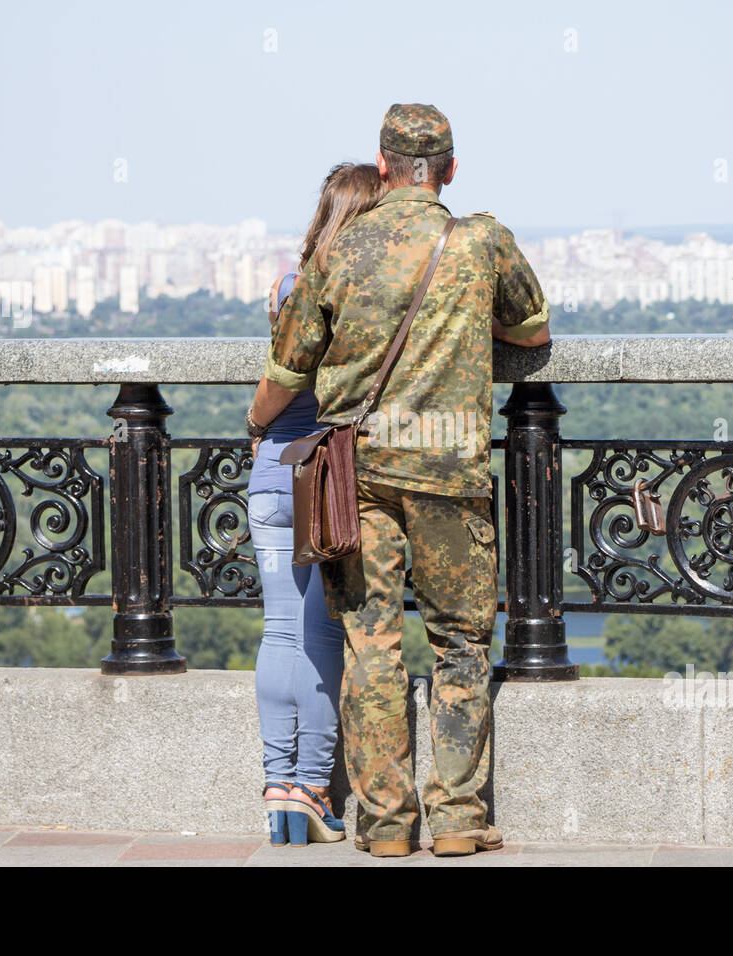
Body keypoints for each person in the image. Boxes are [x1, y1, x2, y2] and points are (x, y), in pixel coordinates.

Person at [260, 104, 552, 857]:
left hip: (359, 473)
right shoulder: (481, 241)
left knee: (371, 644)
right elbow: (532, 335)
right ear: (451, 169)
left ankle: (385, 825)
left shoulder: (339, 248)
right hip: (451, 472)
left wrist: (258, 424)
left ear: (382, 166)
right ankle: (456, 818)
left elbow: (289, 368)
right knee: (460, 643)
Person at [244, 162, 387, 847]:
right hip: (329, 483)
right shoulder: (365, 292)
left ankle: (277, 785)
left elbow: (281, 382)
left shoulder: (289, 284)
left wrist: (255, 426)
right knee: (323, 633)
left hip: (272, 473)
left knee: (278, 632)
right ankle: (312, 786)